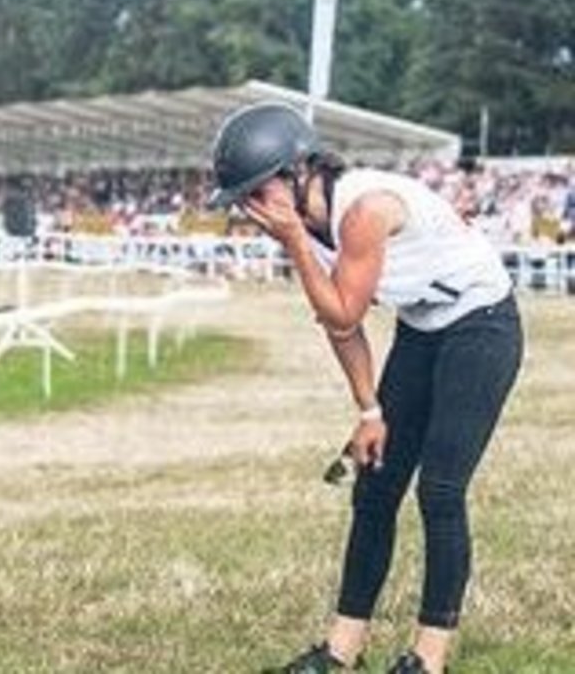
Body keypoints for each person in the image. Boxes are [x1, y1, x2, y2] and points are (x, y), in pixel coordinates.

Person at [207, 103, 523, 674]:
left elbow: (346, 310)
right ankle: (339, 652)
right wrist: (369, 408)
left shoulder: (365, 209)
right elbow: (340, 327)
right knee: (374, 489)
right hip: (424, 328)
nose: (250, 213)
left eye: (254, 195)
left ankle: (428, 661)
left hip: (482, 325)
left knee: (441, 492)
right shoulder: (306, 222)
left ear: (296, 173)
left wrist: (296, 245)